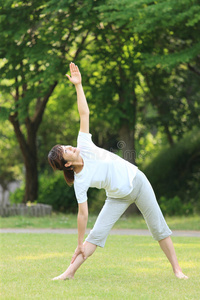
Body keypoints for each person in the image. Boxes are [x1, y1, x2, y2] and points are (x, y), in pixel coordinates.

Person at [48, 62, 188, 280]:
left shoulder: (84, 144)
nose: (70, 147)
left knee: (158, 227)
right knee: (95, 236)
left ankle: (177, 270)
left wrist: (78, 86)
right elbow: (82, 214)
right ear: (66, 164)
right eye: (65, 151)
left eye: (66, 146)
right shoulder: (80, 180)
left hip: (137, 182)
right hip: (116, 197)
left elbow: (84, 112)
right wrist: (78, 243)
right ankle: (68, 273)